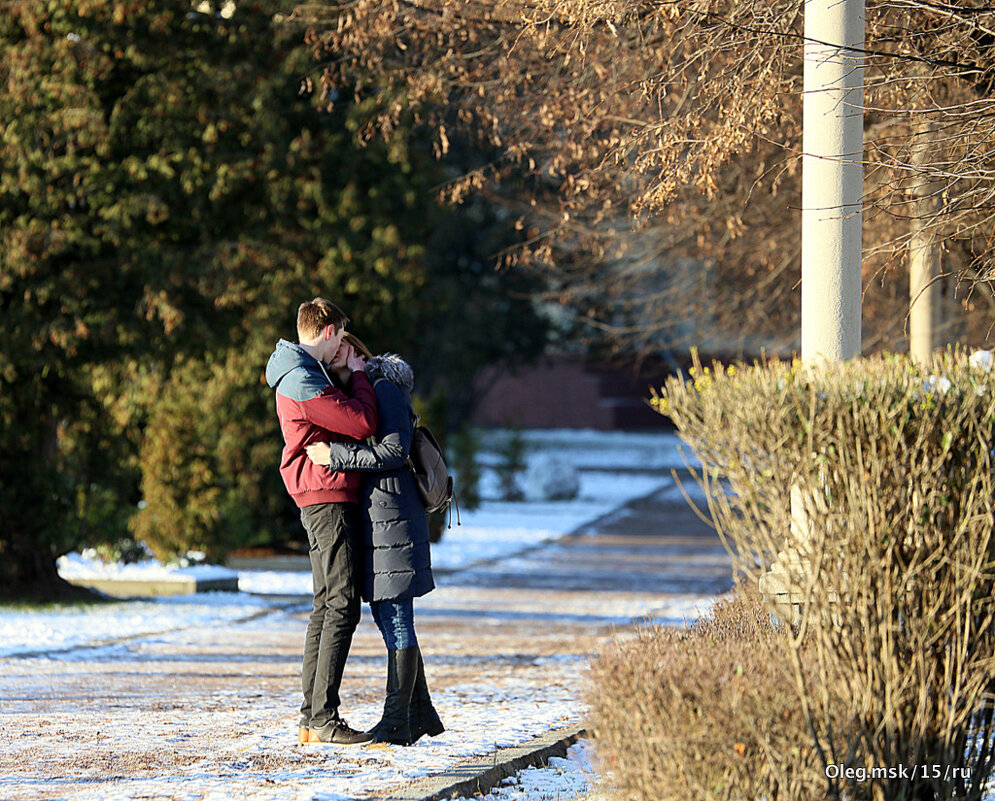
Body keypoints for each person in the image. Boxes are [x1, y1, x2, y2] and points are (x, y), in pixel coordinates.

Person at [305, 336, 444, 746]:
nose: (337, 356)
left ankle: (396, 722)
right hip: (380, 519)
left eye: (344, 349)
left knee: (396, 618)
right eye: (335, 352)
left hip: (394, 518)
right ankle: (419, 712)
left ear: (359, 353)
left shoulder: (383, 388)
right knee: (388, 617)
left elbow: (395, 450)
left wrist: (337, 456)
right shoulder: (363, 394)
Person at [265, 299, 378, 746]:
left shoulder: (304, 372)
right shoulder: (303, 378)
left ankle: (312, 719)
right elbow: (362, 421)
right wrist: (361, 374)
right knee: (343, 604)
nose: (342, 347)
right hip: (327, 494)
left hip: (320, 493)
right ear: (329, 331)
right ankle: (324, 718)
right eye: (341, 337)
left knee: (327, 604)